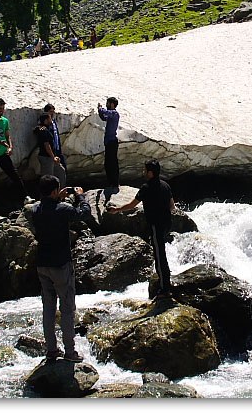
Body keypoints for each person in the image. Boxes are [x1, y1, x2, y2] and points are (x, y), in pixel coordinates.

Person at [31, 175, 92, 362]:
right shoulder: (63, 209)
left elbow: (51, 208)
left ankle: (51, 350)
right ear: (55, 191)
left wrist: (58, 197)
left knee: (48, 308)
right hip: (61, 264)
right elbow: (84, 213)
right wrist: (80, 196)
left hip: (42, 264)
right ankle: (70, 352)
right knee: (66, 308)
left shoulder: (35, 210)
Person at [107, 159, 176, 300]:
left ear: (150, 173)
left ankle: (165, 290)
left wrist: (117, 209)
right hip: (166, 224)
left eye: (144, 170)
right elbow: (172, 206)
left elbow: (132, 205)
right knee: (161, 254)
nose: (143, 172)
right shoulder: (165, 185)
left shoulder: (146, 187)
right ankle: (166, 284)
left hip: (156, 225)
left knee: (159, 256)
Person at [0, 98, 27, 211]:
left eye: (3, 108)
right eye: (0, 108)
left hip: (3, 154)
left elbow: (8, 136)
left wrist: (10, 147)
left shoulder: (4, 121)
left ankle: (25, 197)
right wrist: (0, 142)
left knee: (15, 175)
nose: (2, 110)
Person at [34, 113, 66, 189]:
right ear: (46, 120)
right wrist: (53, 157)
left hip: (51, 157)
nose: (51, 119)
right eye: (49, 118)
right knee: (47, 178)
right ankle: (45, 196)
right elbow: (47, 145)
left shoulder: (48, 129)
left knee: (61, 171)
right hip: (46, 157)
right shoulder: (43, 131)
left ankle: (60, 192)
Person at [97, 97, 120, 187]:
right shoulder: (111, 115)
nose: (107, 105)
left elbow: (106, 113)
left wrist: (100, 108)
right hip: (109, 142)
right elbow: (103, 117)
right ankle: (111, 182)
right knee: (108, 163)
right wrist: (100, 111)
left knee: (112, 163)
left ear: (112, 104)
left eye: (108, 103)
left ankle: (114, 182)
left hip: (112, 142)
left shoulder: (114, 113)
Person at [43, 103, 66, 171]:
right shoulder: (45, 124)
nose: (52, 114)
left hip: (57, 148)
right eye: (50, 112)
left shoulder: (53, 122)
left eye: (53, 112)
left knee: (63, 167)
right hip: (52, 151)